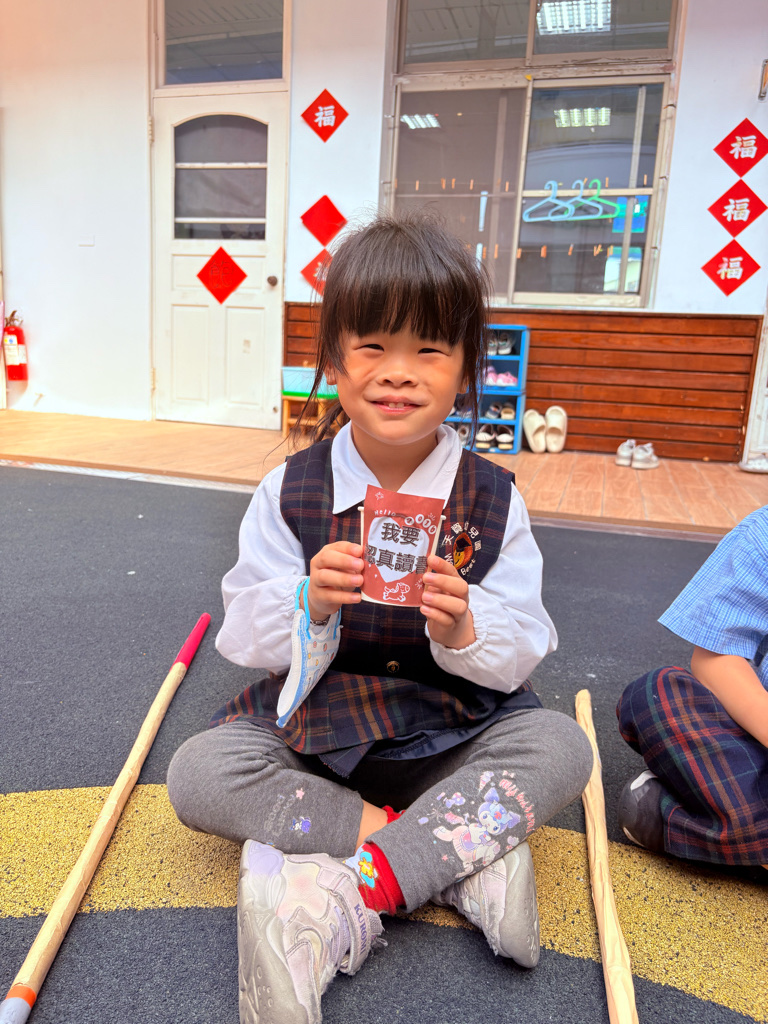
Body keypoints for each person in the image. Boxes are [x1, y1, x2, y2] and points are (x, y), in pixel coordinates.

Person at [167, 212, 593, 1024]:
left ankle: (358, 884)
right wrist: (307, 602)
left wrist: (465, 627)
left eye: (429, 349)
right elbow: (243, 633)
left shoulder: (492, 498)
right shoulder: (289, 491)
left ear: (466, 368)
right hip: (321, 739)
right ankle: (455, 856)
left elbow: (525, 646)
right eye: (372, 346)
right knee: (199, 772)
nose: (399, 374)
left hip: (451, 731)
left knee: (561, 745)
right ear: (333, 361)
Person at [616, 505, 768, 868]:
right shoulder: (763, 534)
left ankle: (676, 822)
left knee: (647, 804)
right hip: (759, 741)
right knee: (656, 695)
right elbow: (716, 658)